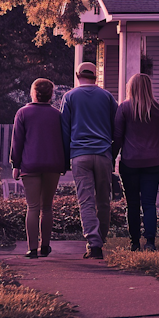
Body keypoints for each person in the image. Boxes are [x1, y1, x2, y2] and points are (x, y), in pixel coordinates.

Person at [60, 61, 118, 259]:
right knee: (103, 200)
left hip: (80, 154)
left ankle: (94, 244)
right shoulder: (107, 97)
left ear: (78, 75)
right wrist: (113, 151)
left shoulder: (69, 97)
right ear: (96, 76)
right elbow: (116, 125)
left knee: (86, 200)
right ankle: (100, 240)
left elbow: (65, 129)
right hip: (103, 153)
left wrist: (66, 156)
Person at [9, 77, 70, 259]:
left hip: (30, 164)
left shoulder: (23, 113)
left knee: (33, 207)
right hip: (53, 164)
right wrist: (64, 163)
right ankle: (45, 246)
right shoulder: (57, 115)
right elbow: (65, 141)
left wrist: (15, 164)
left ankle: (31, 248)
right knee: (47, 207)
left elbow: (17, 142)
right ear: (51, 95)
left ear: (33, 93)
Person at [113, 73, 159, 251]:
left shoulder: (124, 108)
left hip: (130, 162)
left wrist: (111, 158)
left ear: (131, 87)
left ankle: (135, 242)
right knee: (149, 203)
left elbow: (117, 137)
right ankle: (151, 242)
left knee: (132, 204)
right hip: (153, 162)